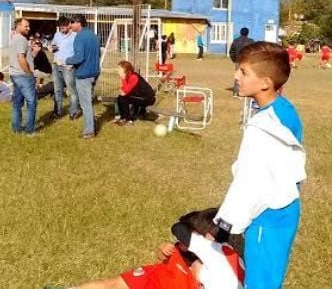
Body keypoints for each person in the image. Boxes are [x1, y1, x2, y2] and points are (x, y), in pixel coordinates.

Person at [213, 42, 305, 289]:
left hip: (269, 214)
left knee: (260, 283)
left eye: (243, 72)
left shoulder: (262, 127)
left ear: (265, 82)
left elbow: (249, 180)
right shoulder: (284, 110)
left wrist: (226, 224)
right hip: (286, 207)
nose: (236, 76)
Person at [55, 208, 244, 289]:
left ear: (207, 237)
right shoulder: (230, 255)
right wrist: (164, 252)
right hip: (162, 278)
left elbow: (178, 229)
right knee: (114, 284)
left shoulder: (213, 253)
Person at [66, 14, 101, 140]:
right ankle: (91, 125)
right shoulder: (93, 35)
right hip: (94, 72)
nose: (70, 25)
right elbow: (98, 54)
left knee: (85, 104)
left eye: (72, 22)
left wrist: (66, 60)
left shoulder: (79, 37)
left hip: (84, 74)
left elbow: (79, 57)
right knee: (89, 101)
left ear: (78, 23)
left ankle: (89, 131)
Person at [9, 18, 37, 135]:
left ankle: (16, 128)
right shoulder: (21, 40)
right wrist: (29, 73)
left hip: (14, 74)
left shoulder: (13, 38)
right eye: (26, 26)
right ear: (18, 26)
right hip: (23, 75)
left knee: (17, 103)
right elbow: (21, 58)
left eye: (28, 26)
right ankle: (29, 130)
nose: (28, 28)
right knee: (31, 102)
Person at [51, 16, 80, 120]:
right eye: (60, 27)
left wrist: (71, 65)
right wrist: (52, 49)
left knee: (72, 90)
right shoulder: (57, 35)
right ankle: (57, 112)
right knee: (57, 90)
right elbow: (54, 46)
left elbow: (78, 52)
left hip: (68, 67)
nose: (61, 29)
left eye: (63, 27)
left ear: (68, 25)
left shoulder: (75, 36)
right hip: (56, 65)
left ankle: (73, 112)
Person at [114, 60, 156, 126]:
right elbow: (123, 91)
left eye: (119, 69)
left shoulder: (134, 77)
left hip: (147, 99)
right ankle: (123, 117)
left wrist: (122, 88)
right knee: (120, 98)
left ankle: (129, 120)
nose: (117, 71)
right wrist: (122, 79)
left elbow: (124, 92)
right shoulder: (126, 76)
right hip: (138, 96)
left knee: (122, 98)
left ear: (125, 70)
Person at [229, 27, 254, 98]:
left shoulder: (236, 41)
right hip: (247, 61)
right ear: (248, 33)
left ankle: (236, 92)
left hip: (238, 61)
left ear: (240, 32)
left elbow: (231, 51)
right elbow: (254, 52)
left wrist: (234, 60)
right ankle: (246, 91)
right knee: (247, 76)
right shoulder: (251, 41)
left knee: (238, 76)